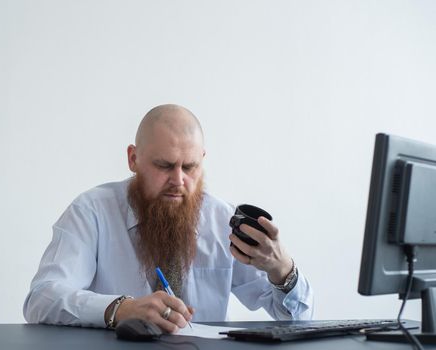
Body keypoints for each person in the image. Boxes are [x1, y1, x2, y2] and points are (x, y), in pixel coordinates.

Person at [23, 104, 313, 333]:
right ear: (133, 158)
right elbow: (41, 300)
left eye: (190, 167)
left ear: (203, 158)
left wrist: (282, 270)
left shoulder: (223, 220)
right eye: (164, 165)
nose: (179, 180)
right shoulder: (91, 212)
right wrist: (120, 309)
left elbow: (298, 319)